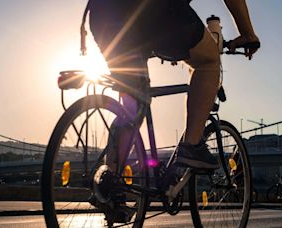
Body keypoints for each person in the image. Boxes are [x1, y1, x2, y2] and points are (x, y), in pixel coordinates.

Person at [88, 0, 259, 195]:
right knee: (208, 60)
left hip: (103, 14)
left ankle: (109, 188)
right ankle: (192, 146)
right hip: (157, 11)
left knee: (133, 105)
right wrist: (247, 34)